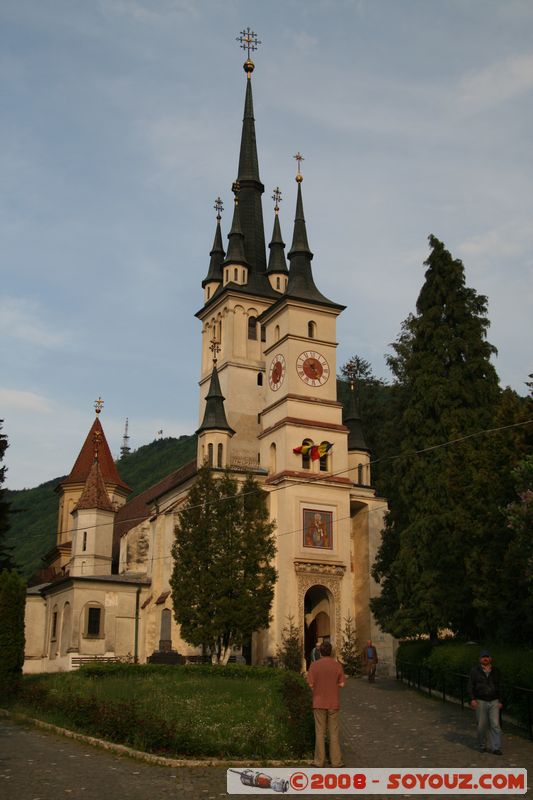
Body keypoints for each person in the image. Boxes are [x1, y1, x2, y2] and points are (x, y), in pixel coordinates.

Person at [306, 640, 345, 767]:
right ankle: (336, 762)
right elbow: (342, 684)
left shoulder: (314, 666)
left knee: (319, 733)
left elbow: (310, 684)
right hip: (333, 702)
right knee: (333, 733)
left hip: (318, 702)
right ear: (331, 652)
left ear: (320, 652)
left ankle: (319, 761)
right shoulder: (337, 665)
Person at [467, 650, 503, 755]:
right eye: (483, 657)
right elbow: (470, 686)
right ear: (480, 659)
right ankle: (482, 745)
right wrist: (472, 699)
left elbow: (500, 686)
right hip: (480, 700)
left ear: (490, 659)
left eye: (487, 657)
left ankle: (496, 747)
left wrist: (501, 700)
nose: (485, 659)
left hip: (494, 700)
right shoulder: (475, 671)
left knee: (495, 724)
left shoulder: (496, 671)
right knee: (481, 725)